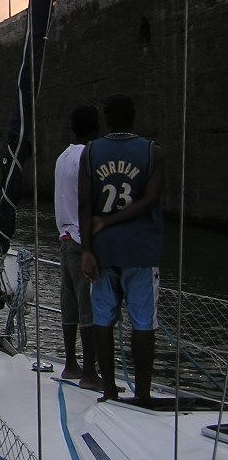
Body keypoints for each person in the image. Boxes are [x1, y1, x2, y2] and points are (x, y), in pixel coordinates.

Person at [79, 94, 165, 405]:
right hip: (141, 251)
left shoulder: (91, 153)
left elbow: (85, 203)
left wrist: (87, 247)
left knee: (103, 318)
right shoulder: (152, 151)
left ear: (107, 119)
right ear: (133, 117)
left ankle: (110, 389)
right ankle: (142, 394)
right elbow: (149, 201)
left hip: (103, 250)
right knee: (143, 322)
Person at [54, 104, 101, 389]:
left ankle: (70, 364)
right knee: (89, 307)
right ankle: (89, 372)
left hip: (64, 238)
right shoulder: (88, 156)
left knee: (68, 303)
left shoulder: (62, 157)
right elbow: (87, 198)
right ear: (96, 128)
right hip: (82, 240)